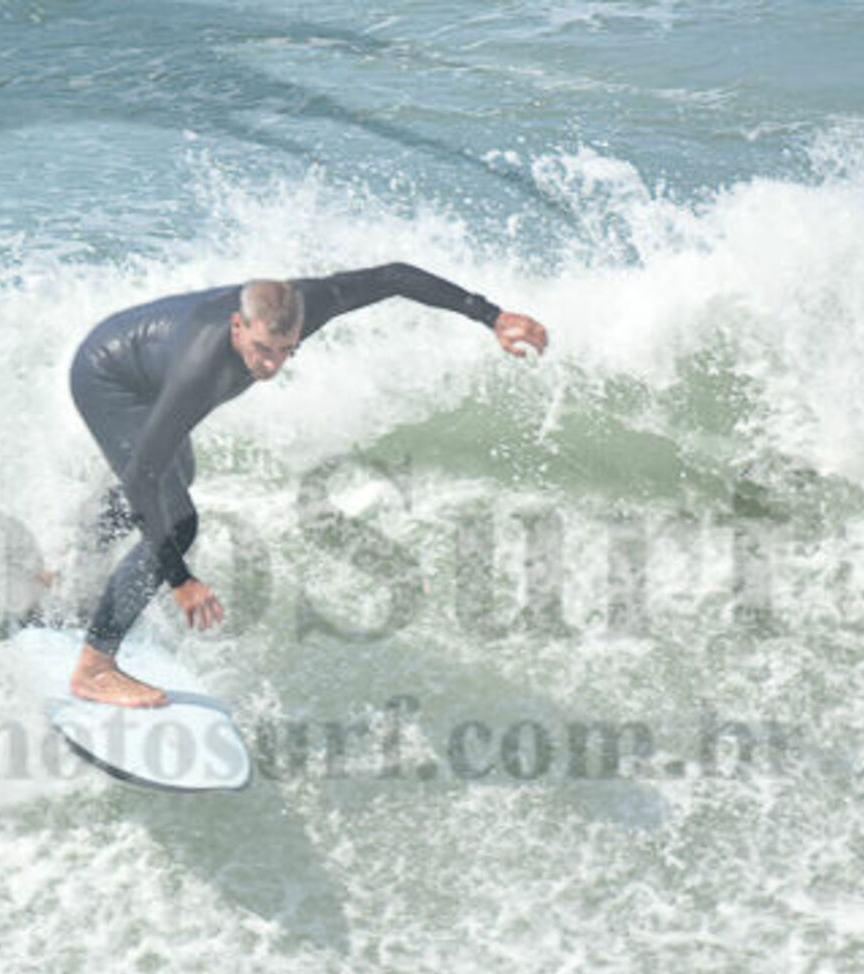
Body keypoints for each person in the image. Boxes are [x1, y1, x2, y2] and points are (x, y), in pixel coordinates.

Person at [65, 263, 548, 707]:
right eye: (262, 350)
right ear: (238, 326)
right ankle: (95, 667)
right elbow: (142, 480)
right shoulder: (200, 369)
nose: (272, 366)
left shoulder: (307, 304)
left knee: (175, 479)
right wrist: (181, 581)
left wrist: (492, 316)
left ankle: (72, 571)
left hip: (149, 364)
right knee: (176, 520)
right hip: (109, 376)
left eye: (287, 350)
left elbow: (394, 278)